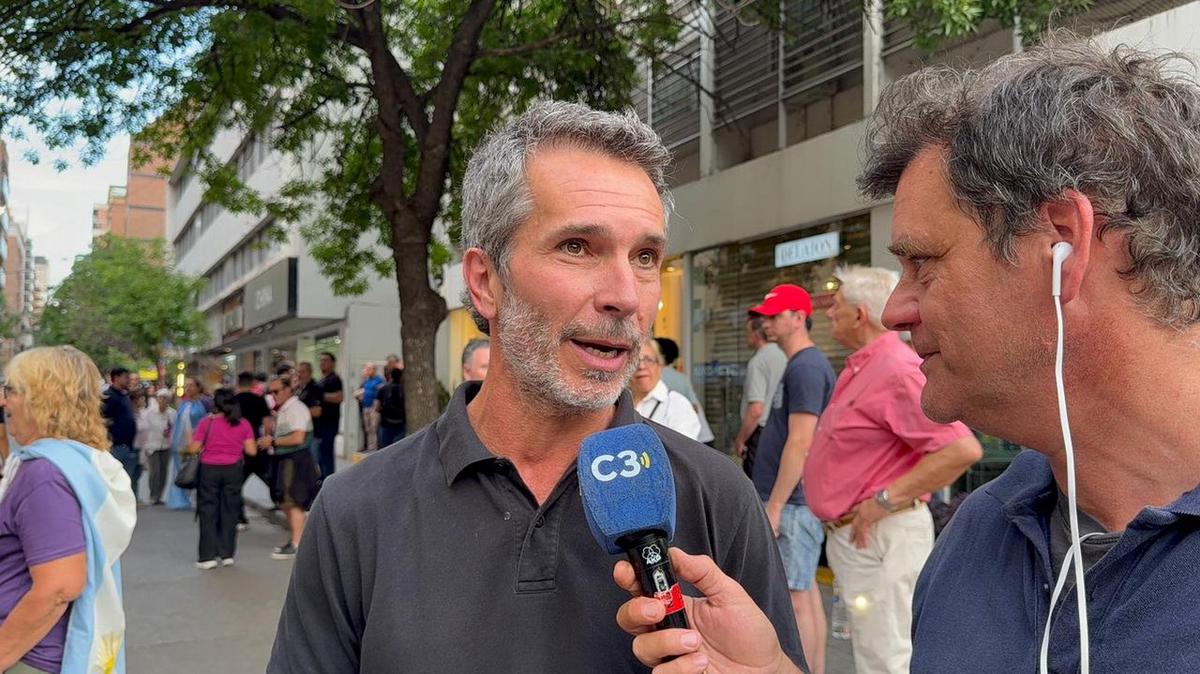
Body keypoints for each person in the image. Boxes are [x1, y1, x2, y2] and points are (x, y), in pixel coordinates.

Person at [614, 35, 1200, 674]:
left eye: (925, 263)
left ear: (1061, 245)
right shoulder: (980, 536)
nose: (896, 310)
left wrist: (882, 502)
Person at [268, 101, 805, 673]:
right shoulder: (356, 511)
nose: (625, 295)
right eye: (578, 247)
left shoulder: (717, 496)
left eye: (645, 256)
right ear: (485, 281)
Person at [806, 265, 982, 674]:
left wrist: (883, 501)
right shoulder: (865, 367)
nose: (829, 314)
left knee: (887, 655)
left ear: (860, 315)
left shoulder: (894, 369)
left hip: (880, 536)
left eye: (837, 307)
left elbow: (960, 449)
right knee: (876, 650)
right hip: (863, 539)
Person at [0, 346, 136, 674]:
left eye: (10, 390)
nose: (3, 402)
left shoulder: (44, 474)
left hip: (28, 656)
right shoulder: (81, 460)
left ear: (42, 397)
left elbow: (59, 586)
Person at [749, 283, 836, 674]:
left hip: (794, 504)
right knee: (805, 594)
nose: (766, 322)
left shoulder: (807, 367)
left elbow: (801, 442)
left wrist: (776, 504)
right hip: (795, 502)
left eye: (775, 315)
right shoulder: (798, 365)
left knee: (796, 597)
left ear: (799, 318)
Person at [188, 388, 257, 569]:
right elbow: (252, 450)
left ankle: (207, 557)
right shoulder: (243, 424)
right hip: (233, 470)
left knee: (208, 511)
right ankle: (227, 554)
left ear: (215, 405)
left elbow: (193, 449)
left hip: (209, 469)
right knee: (230, 510)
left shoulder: (206, 423)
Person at [258, 375, 317, 561]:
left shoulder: (297, 409)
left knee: (293, 500)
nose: (273, 395)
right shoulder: (284, 409)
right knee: (285, 500)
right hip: (285, 458)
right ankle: (297, 539)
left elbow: (298, 437)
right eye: (271, 392)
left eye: (276, 391)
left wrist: (273, 441)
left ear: (287, 390)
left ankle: (298, 543)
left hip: (295, 460)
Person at [733, 314, 787, 479]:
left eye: (747, 332)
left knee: (757, 487)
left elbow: (756, 409)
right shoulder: (785, 355)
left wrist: (741, 439)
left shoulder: (758, 361)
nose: (745, 337)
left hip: (760, 436)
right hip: (781, 431)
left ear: (756, 335)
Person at [631, 340, 701, 439]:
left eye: (648, 359)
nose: (641, 366)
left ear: (660, 365)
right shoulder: (616, 403)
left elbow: (680, 451)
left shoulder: (678, 405)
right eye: (634, 361)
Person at [654, 337, 715, 446]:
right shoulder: (681, 378)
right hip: (702, 436)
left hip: (685, 439)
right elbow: (695, 407)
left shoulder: (655, 377)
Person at [167, 377, 212, 511]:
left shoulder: (204, 403)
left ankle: (197, 497)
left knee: (194, 471)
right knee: (180, 472)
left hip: (196, 444)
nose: (188, 388)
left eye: (191, 385)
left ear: (199, 387)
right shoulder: (185, 404)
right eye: (187, 385)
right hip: (179, 445)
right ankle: (180, 499)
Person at [233, 372, 271, 529]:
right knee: (269, 478)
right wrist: (268, 439)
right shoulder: (259, 399)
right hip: (257, 444)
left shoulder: (233, 401)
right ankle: (284, 502)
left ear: (238, 383)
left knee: (236, 484)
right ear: (252, 383)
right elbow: (268, 423)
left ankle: (240, 518)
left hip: (239, 448)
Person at [101, 367, 139, 497]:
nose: (128, 380)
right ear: (116, 378)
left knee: (128, 476)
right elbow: (103, 419)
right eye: (125, 377)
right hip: (116, 444)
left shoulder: (124, 396)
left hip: (128, 444)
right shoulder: (109, 396)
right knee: (116, 478)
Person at [136, 389, 175, 506]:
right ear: (157, 399)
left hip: (166, 445)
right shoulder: (149, 413)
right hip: (152, 445)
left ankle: (159, 495)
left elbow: (174, 429)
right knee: (155, 472)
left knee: (164, 471)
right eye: (160, 398)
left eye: (165, 398)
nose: (163, 400)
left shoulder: (172, 413)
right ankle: (153, 495)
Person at [313, 352, 343, 479]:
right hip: (319, 425)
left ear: (333, 363)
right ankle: (322, 479)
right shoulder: (320, 380)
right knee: (319, 455)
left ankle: (329, 480)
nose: (322, 363)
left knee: (326, 455)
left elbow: (339, 397)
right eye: (321, 360)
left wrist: (320, 395)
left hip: (329, 424)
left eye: (325, 360)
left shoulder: (334, 379)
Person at [373, 365, 406, 448]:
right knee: (397, 450)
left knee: (384, 449)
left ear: (391, 376)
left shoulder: (382, 389)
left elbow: (377, 407)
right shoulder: (405, 390)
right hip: (400, 423)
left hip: (385, 423)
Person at [354, 362, 383, 452]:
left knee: (374, 428)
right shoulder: (366, 381)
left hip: (373, 407)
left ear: (374, 370)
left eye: (368, 369)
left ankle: (374, 448)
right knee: (367, 428)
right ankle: (369, 447)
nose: (366, 371)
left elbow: (379, 393)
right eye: (366, 369)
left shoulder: (379, 380)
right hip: (365, 406)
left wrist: (365, 392)